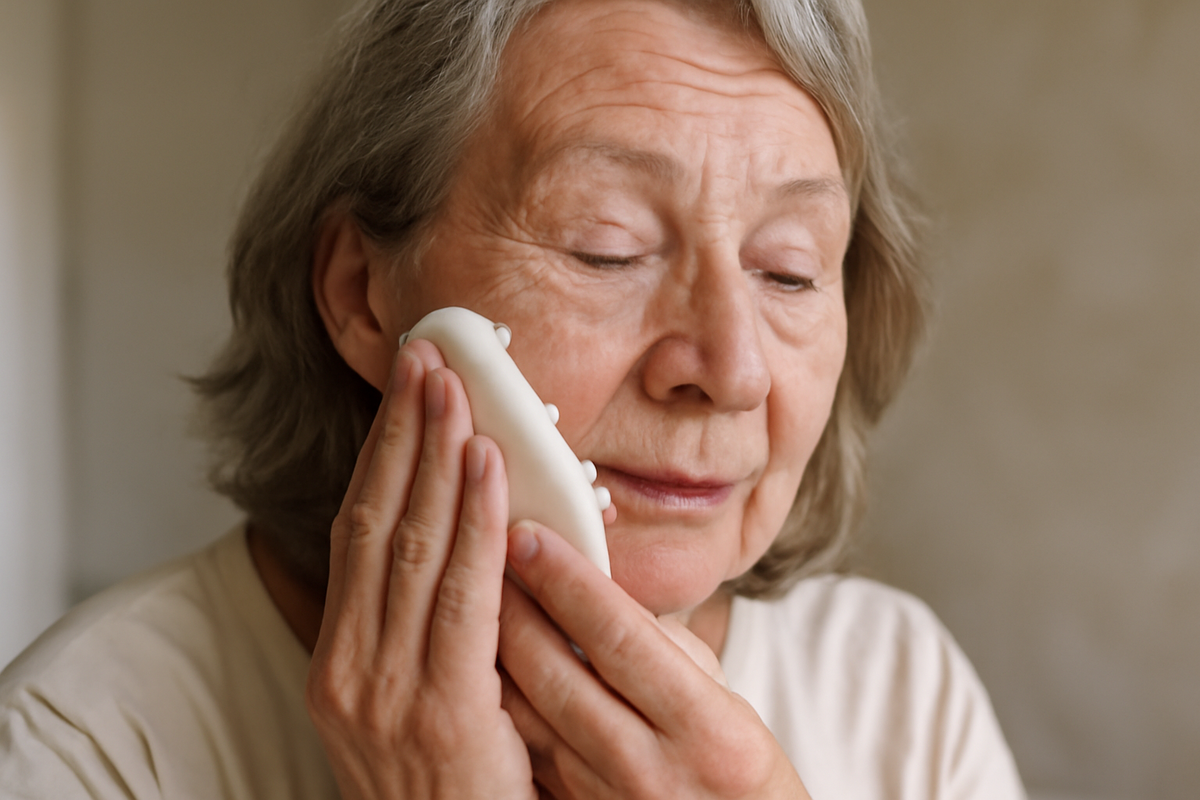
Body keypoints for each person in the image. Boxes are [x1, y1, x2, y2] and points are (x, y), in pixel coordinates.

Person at [0, 0, 1027, 797]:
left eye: (791, 270)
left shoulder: (900, 692)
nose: (731, 366)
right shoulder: (91, 737)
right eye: (606, 245)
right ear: (364, 291)